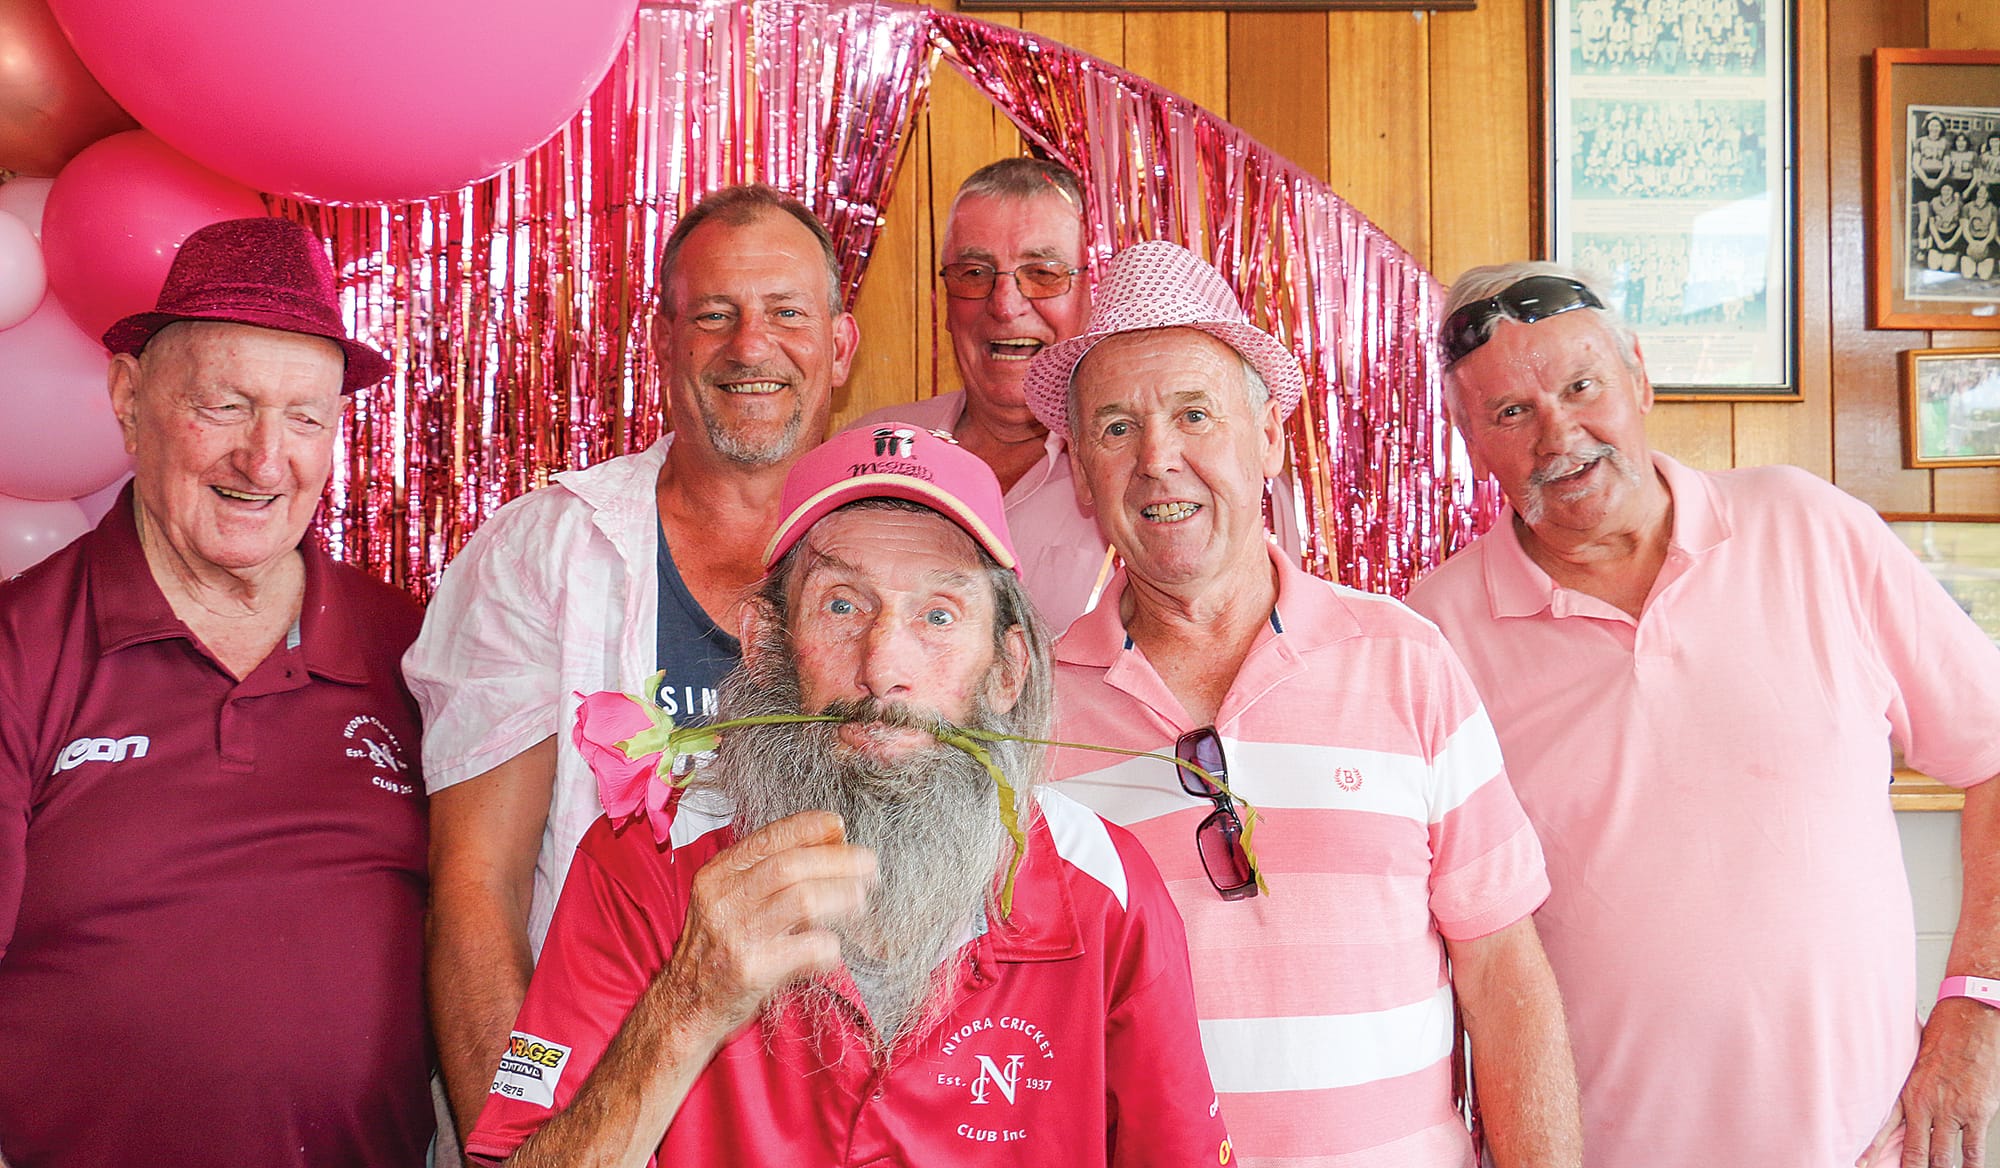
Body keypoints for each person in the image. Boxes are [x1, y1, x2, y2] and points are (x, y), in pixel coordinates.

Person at [463, 425, 1231, 1166]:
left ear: (1008, 669)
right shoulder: (646, 859)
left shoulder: (1102, 888)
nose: (883, 665)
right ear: (767, 645)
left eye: (937, 615)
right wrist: (690, 1003)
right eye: (841, 605)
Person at [1406, 262, 2000, 1168]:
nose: (1560, 434)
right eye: (1511, 413)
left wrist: (1975, 1006)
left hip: (1867, 1147)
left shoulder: (1810, 528)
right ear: (1469, 438)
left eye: (1581, 385)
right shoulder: (1435, 630)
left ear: (1639, 377)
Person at [1020, 241, 1583, 1168]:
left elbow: (1505, 975)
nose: (1158, 459)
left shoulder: (1406, 661)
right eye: (1115, 428)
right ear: (1079, 473)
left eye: (1194, 415)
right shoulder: (1028, 714)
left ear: (1270, 439)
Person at [403, 184, 860, 1141]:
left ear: (840, 347)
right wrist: (522, 1143)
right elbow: (478, 887)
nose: (751, 346)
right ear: (661, 343)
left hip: (818, 1126)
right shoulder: (545, 554)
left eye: (786, 313)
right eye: (714, 316)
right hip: (595, 1108)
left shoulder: (906, 566)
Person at [0, 217, 431, 1165]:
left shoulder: (414, 647)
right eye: (226, 407)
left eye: (306, 419)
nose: (265, 459)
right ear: (128, 396)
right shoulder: (17, 647)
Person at [847, 158, 1108, 633]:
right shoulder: (872, 451)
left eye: (1044, 273)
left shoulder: (1143, 472)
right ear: (944, 302)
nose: (1005, 305)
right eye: (973, 273)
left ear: (1096, 292)